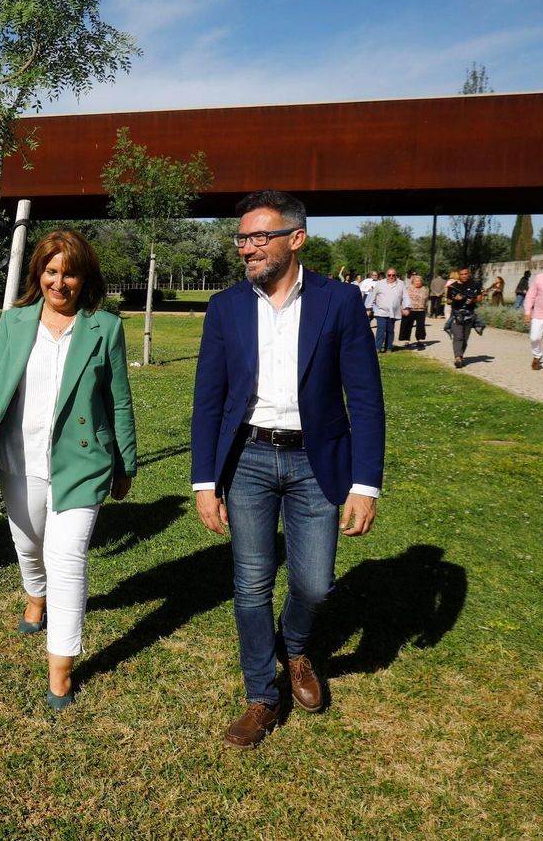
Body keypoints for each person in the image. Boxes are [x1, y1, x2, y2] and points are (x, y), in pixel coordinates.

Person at [191, 190, 384, 750]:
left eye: (259, 237)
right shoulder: (226, 306)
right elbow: (208, 400)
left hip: (315, 462)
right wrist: (205, 481)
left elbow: (365, 398)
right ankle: (262, 695)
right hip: (247, 459)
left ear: (295, 238)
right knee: (251, 583)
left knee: (316, 584)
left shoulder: (339, 301)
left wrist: (365, 484)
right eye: (242, 238)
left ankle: (294, 646)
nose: (247, 248)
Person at [0, 229, 137, 710]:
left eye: (70, 273)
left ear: (85, 278)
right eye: (51, 271)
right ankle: (35, 594)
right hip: (19, 460)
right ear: (38, 273)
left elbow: (119, 401)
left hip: (82, 463)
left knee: (68, 557)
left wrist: (125, 462)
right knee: (29, 544)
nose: (59, 283)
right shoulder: (15, 322)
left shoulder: (105, 328)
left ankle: (60, 666)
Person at [445, 266, 484, 369]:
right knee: (458, 336)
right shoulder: (453, 286)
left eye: (465, 274)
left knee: (465, 338)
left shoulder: (475, 285)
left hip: (469, 315)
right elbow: (448, 301)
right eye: (461, 274)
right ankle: (458, 358)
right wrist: (455, 299)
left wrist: (473, 300)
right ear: (458, 275)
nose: (463, 276)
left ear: (469, 274)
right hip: (456, 315)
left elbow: (480, 298)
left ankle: (460, 355)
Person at [370, 269, 406, 353]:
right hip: (381, 311)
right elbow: (373, 296)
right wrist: (369, 308)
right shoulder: (380, 283)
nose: (391, 277)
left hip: (393, 312)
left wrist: (407, 307)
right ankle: (378, 347)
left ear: (396, 275)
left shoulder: (401, 284)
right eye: (389, 275)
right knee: (381, 329)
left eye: (393, 275)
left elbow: (405, 296)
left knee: (390, 330)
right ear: (386, 275)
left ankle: (389, 347)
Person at [399, 274, 428, 349]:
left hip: (421, 310)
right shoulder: (408, 288)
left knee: (420, 327)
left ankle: (419, 340)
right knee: (408, 326)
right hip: (410, 310)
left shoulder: (424, 289)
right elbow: (403, 299)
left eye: (419, 281)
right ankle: (407, 340)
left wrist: (425, 308)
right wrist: (402, 308)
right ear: (413, 281)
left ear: (421, 282)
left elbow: (426, 300)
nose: (417, 282)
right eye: (416, 281)